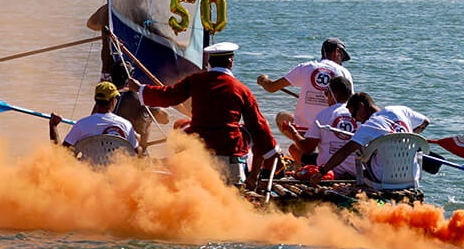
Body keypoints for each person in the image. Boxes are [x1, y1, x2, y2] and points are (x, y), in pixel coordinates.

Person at [136, 41, 278, 185]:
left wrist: (141, 89)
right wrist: (271, 154)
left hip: (199, 156)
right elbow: (259, 127)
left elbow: (169, 96)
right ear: (231, 62)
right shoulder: (241, 89)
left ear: (209, 62)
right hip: (229, 160)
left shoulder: (195, 81)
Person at [256, 37, 351, 161]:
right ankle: (312, 156)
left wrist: (263, 80)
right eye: (342, 58)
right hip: (331, 132)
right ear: (336, 52)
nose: (341, 62)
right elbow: (348, 106)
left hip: (305, 132)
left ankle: (303, 157)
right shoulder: (344, 73)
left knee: (282, 118)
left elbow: (271, 87)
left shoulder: (306, 67)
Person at [316, 92, 431, 185]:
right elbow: (425, 121)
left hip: (383, 178)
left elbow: (344, 152)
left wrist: (322, 172)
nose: (355, 120)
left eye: (354, 114)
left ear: (361, 106)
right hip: (412, 175)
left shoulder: (368, 126)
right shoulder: (399, 110)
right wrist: (409, 135)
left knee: (361, 151)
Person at [49, 81, 140, 152]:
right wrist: (137, 141)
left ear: (95, 100)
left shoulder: (82, 124)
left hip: (89, 173)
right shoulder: (126, 125)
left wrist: (53, 126)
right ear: (113, 101)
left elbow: (60, 155)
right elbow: (138, 156)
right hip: (117, 173)